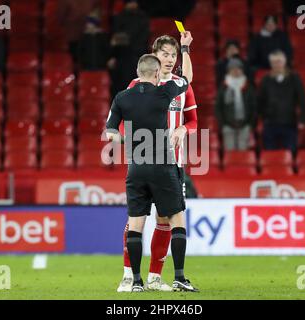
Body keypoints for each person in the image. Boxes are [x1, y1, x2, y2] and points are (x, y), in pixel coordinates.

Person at [106, 32, 199, 293]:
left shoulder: (182, 85)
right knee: (139, 219)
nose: (170, 60)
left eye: (174, 55)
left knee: (163, 220)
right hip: (148, 159)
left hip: (173, 162)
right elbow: (125, 121)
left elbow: (194, 122)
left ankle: (153, 277)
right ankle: (128, 275)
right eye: (165, 54)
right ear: (154, 57)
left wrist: (184, 130)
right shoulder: (135, 85)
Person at [258, 50, 305, 153]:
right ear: (271, 64)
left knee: (290, 153)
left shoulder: (294, 78)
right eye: (274, 62)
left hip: (289, 122)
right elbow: (260, 101)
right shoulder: (265, 79)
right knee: (270, 155)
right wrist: (263, 117)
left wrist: (302, 119)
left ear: (284, 62)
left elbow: (302, 99)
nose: (277, 65)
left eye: (279, 61)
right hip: (270, 123)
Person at [215, 58, 257, 151]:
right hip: (228, 126)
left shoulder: (248, 86)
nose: (236, 71)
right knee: (230, 154)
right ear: (229, 71)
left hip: (245, 125)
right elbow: (218, 107)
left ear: (242, 70)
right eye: (233, 68)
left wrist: (250, 124)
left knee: (243, 154)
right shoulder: (224, 86)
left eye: (238, 68)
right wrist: (223, 124)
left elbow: (254, 107)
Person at [110, 0, 150, 94]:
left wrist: (125, 39)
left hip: (138, 56)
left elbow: (144, 38)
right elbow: (116, 39)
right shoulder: (119, 18)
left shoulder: (142, 18)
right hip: (122, 56)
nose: (132, 5)